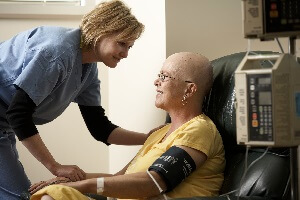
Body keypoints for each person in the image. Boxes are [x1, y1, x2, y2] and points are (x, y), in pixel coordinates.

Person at [29, 52, 226, 200]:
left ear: (189, 89)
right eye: (159, 75)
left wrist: (84, 185)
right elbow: (119, 177)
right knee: (55, 192)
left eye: (165, 77)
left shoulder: (199, 130)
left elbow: (154, 182)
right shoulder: (161, 132)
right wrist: (70, 180)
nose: (156, 81)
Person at [0, 0, 146, 199]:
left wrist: (149, 138)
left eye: (130, 46)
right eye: (122, 43)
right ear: (101, 31)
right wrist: (55, 167)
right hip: (7, 120)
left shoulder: (89, 69)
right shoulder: (57, 52)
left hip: (4, 125)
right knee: (20, 196)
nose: (126, 54)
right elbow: (19, 114)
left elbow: (100, 128)